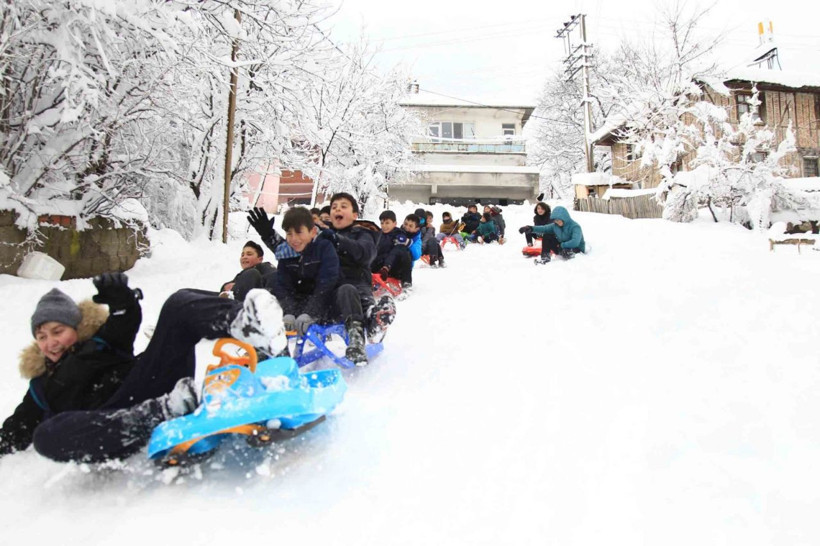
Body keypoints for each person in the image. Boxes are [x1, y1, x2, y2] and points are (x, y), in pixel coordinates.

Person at [0, 274, 287, 462]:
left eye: (57, 331)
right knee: (46, 435)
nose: (51, 342)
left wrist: (122, 300)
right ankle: (166, 410)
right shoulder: (40, 385)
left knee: (178, 304)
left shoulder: (98, 343)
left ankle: (249, 326)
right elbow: (16, 430)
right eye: (42, 336)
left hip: (145, 383)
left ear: (75, 327)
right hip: (111, 425)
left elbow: (124, 322)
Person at [314, 193, 391, 364]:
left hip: (355, 290)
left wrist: (337, 240)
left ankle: (364, 332)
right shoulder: (322, 234)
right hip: (326, 297)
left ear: (355, 215)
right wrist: (268, 234)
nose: (337, 209)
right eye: (334, 207)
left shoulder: (362, 233)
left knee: (348, 290)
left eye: (343, 206)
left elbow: (365, 253)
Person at [271, 207, 340, 338]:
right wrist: (288, 312)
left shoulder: (324, 248)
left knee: (345, 291)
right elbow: (283, 286)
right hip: (298, 303)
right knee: (269, 287)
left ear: (313, 232)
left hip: (323, 304)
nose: (294, 239)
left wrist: (311, 313)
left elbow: (326, 284)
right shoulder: (285, 254)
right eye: (289, 234)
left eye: (299, 233)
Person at [519, 206, 585, 264]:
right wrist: (531, 228)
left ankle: (572, 260)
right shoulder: (555, 226)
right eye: (555, 220)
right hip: (562, 247)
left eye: (559, 220)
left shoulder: (575, 227)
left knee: (567, 251)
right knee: (547, 236)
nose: (557, 222)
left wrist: (562, 245)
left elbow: (575, 242)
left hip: (576, 249)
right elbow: (544, 228)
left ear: (565, 218)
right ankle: (545, 258)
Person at [372, 210, 414, 286]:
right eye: (382, 223)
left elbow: (408, 243)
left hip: (395, 267)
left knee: (401, 249)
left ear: (395, 223)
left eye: (387, 223)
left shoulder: (399, 234)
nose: (384, 226)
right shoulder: (378, 235)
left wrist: (386, 266)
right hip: (380, 266)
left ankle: (406, 282)